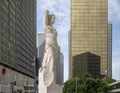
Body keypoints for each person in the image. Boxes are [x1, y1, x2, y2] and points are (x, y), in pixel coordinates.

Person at [39, 10, 59, 87]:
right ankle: (50, 78)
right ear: (50, 18)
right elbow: (44, 20)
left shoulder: (53, 29)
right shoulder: (46, 27)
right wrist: (46, 11)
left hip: (55, 46)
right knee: (51, 60)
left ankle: (50, 78)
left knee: (51, 62)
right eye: (53, 18)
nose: (55, 19)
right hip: (49, 45)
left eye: (55, 18)